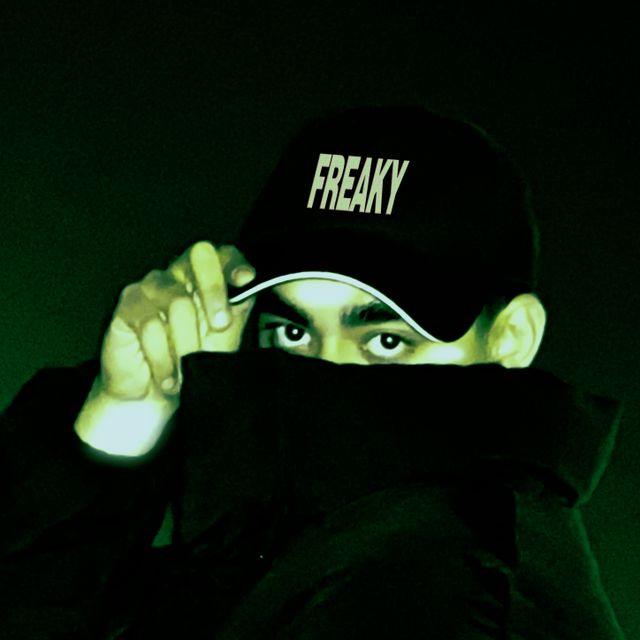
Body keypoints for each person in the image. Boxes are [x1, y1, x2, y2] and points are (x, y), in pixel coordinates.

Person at [0, 106, 626, 639]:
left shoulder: (443, 594)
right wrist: (122, 417)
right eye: (294, 333)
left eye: (385, 341)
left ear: (513, 338)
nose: (326, 375)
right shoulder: (292, 548)